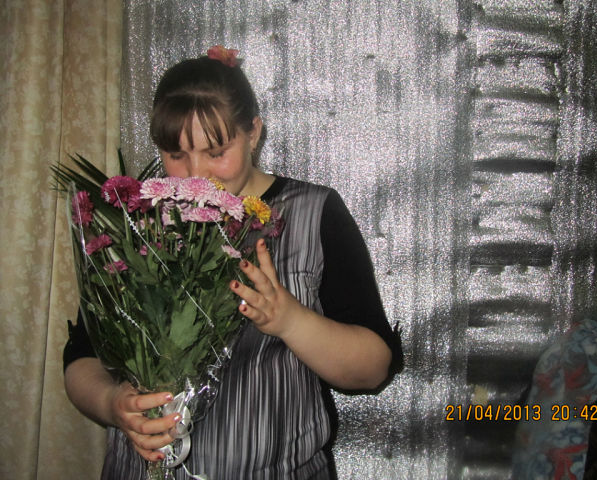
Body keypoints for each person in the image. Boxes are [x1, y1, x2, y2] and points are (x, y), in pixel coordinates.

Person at [63, 46, 402, 479]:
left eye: (216, 151)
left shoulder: (313, 213)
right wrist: (113, 404)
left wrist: (290, 320)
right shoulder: (135, 220)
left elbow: (373, 369)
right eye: (176, 155)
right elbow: (82, 355)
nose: (196, 175)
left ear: (253, 132)